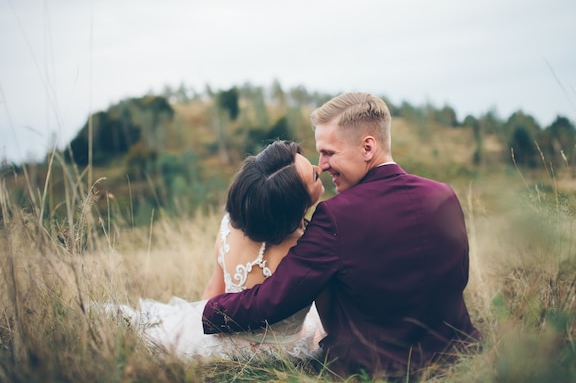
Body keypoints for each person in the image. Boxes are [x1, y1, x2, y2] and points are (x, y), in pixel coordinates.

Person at [202, 92, 481, 378]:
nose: (321, 165)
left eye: (329, 153)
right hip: (459, 360)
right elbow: (458, 279)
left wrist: (205, 312)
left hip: (374, 371)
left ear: (368, 148)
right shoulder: (444, 195)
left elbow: (272, 299)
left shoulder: (335, 216)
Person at [104, 140, 326, 361]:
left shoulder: (229, 228)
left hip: (227, 343)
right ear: (295, 203)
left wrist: (195, 331)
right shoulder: (309, 247)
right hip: (285, 353)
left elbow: (214, 289)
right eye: (314, 176)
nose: (320, 168)